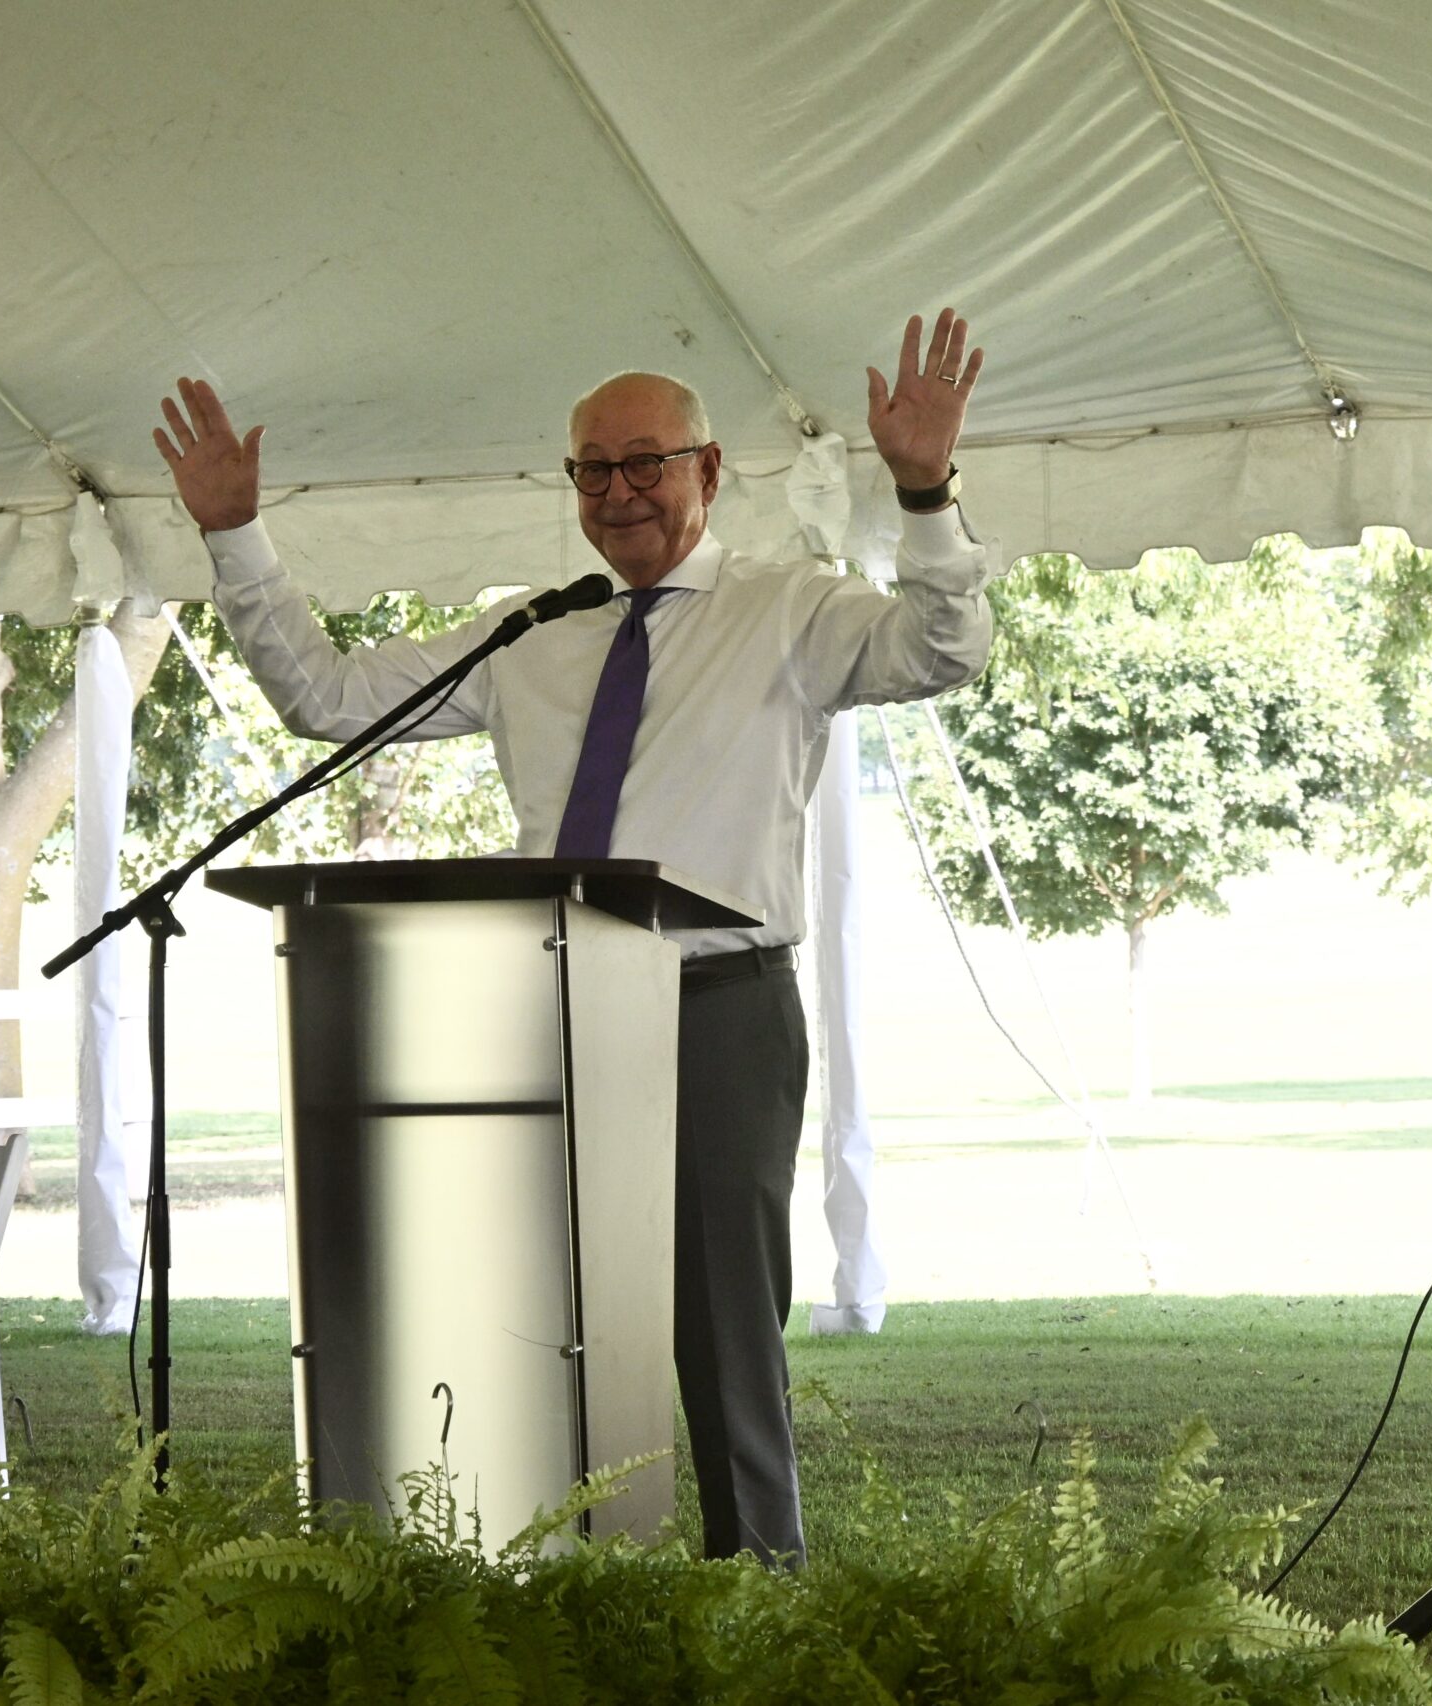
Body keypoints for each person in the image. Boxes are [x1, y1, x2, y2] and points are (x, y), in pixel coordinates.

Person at [154, 311, 995, 1565]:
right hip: (544, 1005)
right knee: (535, 1318)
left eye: (648, 462)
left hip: (714, 1008)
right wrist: (235, 533)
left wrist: (923, 490)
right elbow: (320, 697)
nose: (621, 492)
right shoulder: (530, 631)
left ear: (710, 472)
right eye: (594, 469)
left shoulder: (790, 611)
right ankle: (558, 1578)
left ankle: (758, 1592)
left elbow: (946, 646)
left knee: (721, 1330)